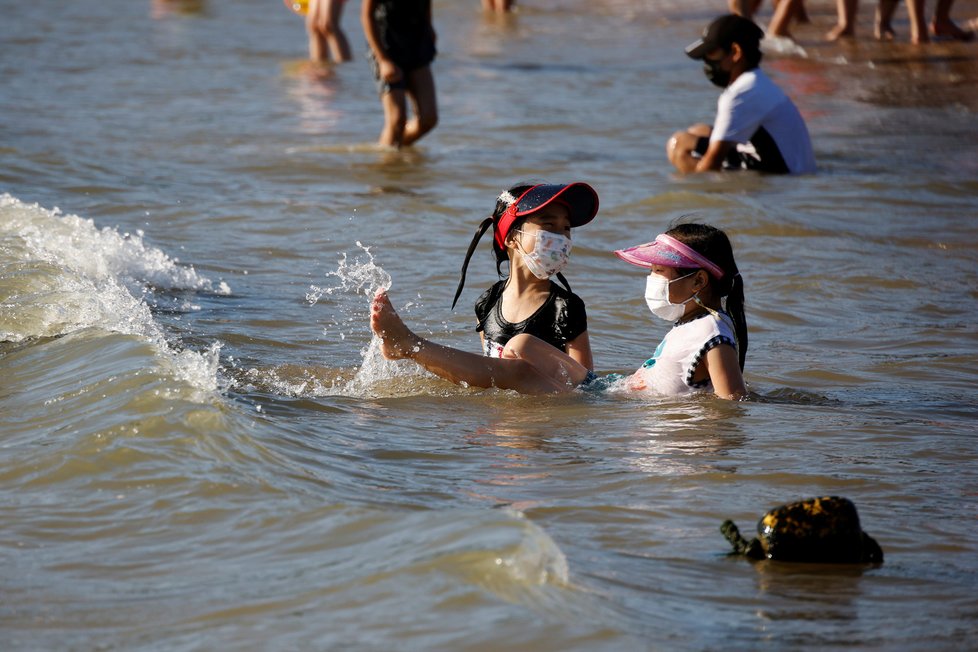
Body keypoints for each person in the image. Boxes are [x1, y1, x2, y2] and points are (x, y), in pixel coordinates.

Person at [370, 223, 748, 400]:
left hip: (605, 406)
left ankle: (410, 345)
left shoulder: (713, 331)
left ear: (698, 282)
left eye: (657, 271)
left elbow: (732, 404)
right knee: (522, 342)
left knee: (517, 373)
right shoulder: (693, 323)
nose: (650, 279)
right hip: (605, 389)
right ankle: (478, 373)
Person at [452, 183, 599, 370]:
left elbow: (585, 383)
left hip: (547, 396)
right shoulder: (487, 302)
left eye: (566, 228)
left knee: (521, 345)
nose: (561, 236)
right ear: (511, 237)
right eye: (549, 225)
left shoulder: (565, 308)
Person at [667, 14, 816, 176]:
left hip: (781, 175)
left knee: (678, 144)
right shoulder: (757, 81)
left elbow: (711, 166)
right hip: (792, 165)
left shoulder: (740, 94)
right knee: (699, 130)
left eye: (711, 53)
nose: (706, 63)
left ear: (736, 52)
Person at [362, 0, 438, 148]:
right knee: (397, 120)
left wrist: (430, 27)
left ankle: (394, 153)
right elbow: (366, 16)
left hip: (417, 42)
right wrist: (383, 60)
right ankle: (388, 164)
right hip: (386, 47)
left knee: (429, 119)